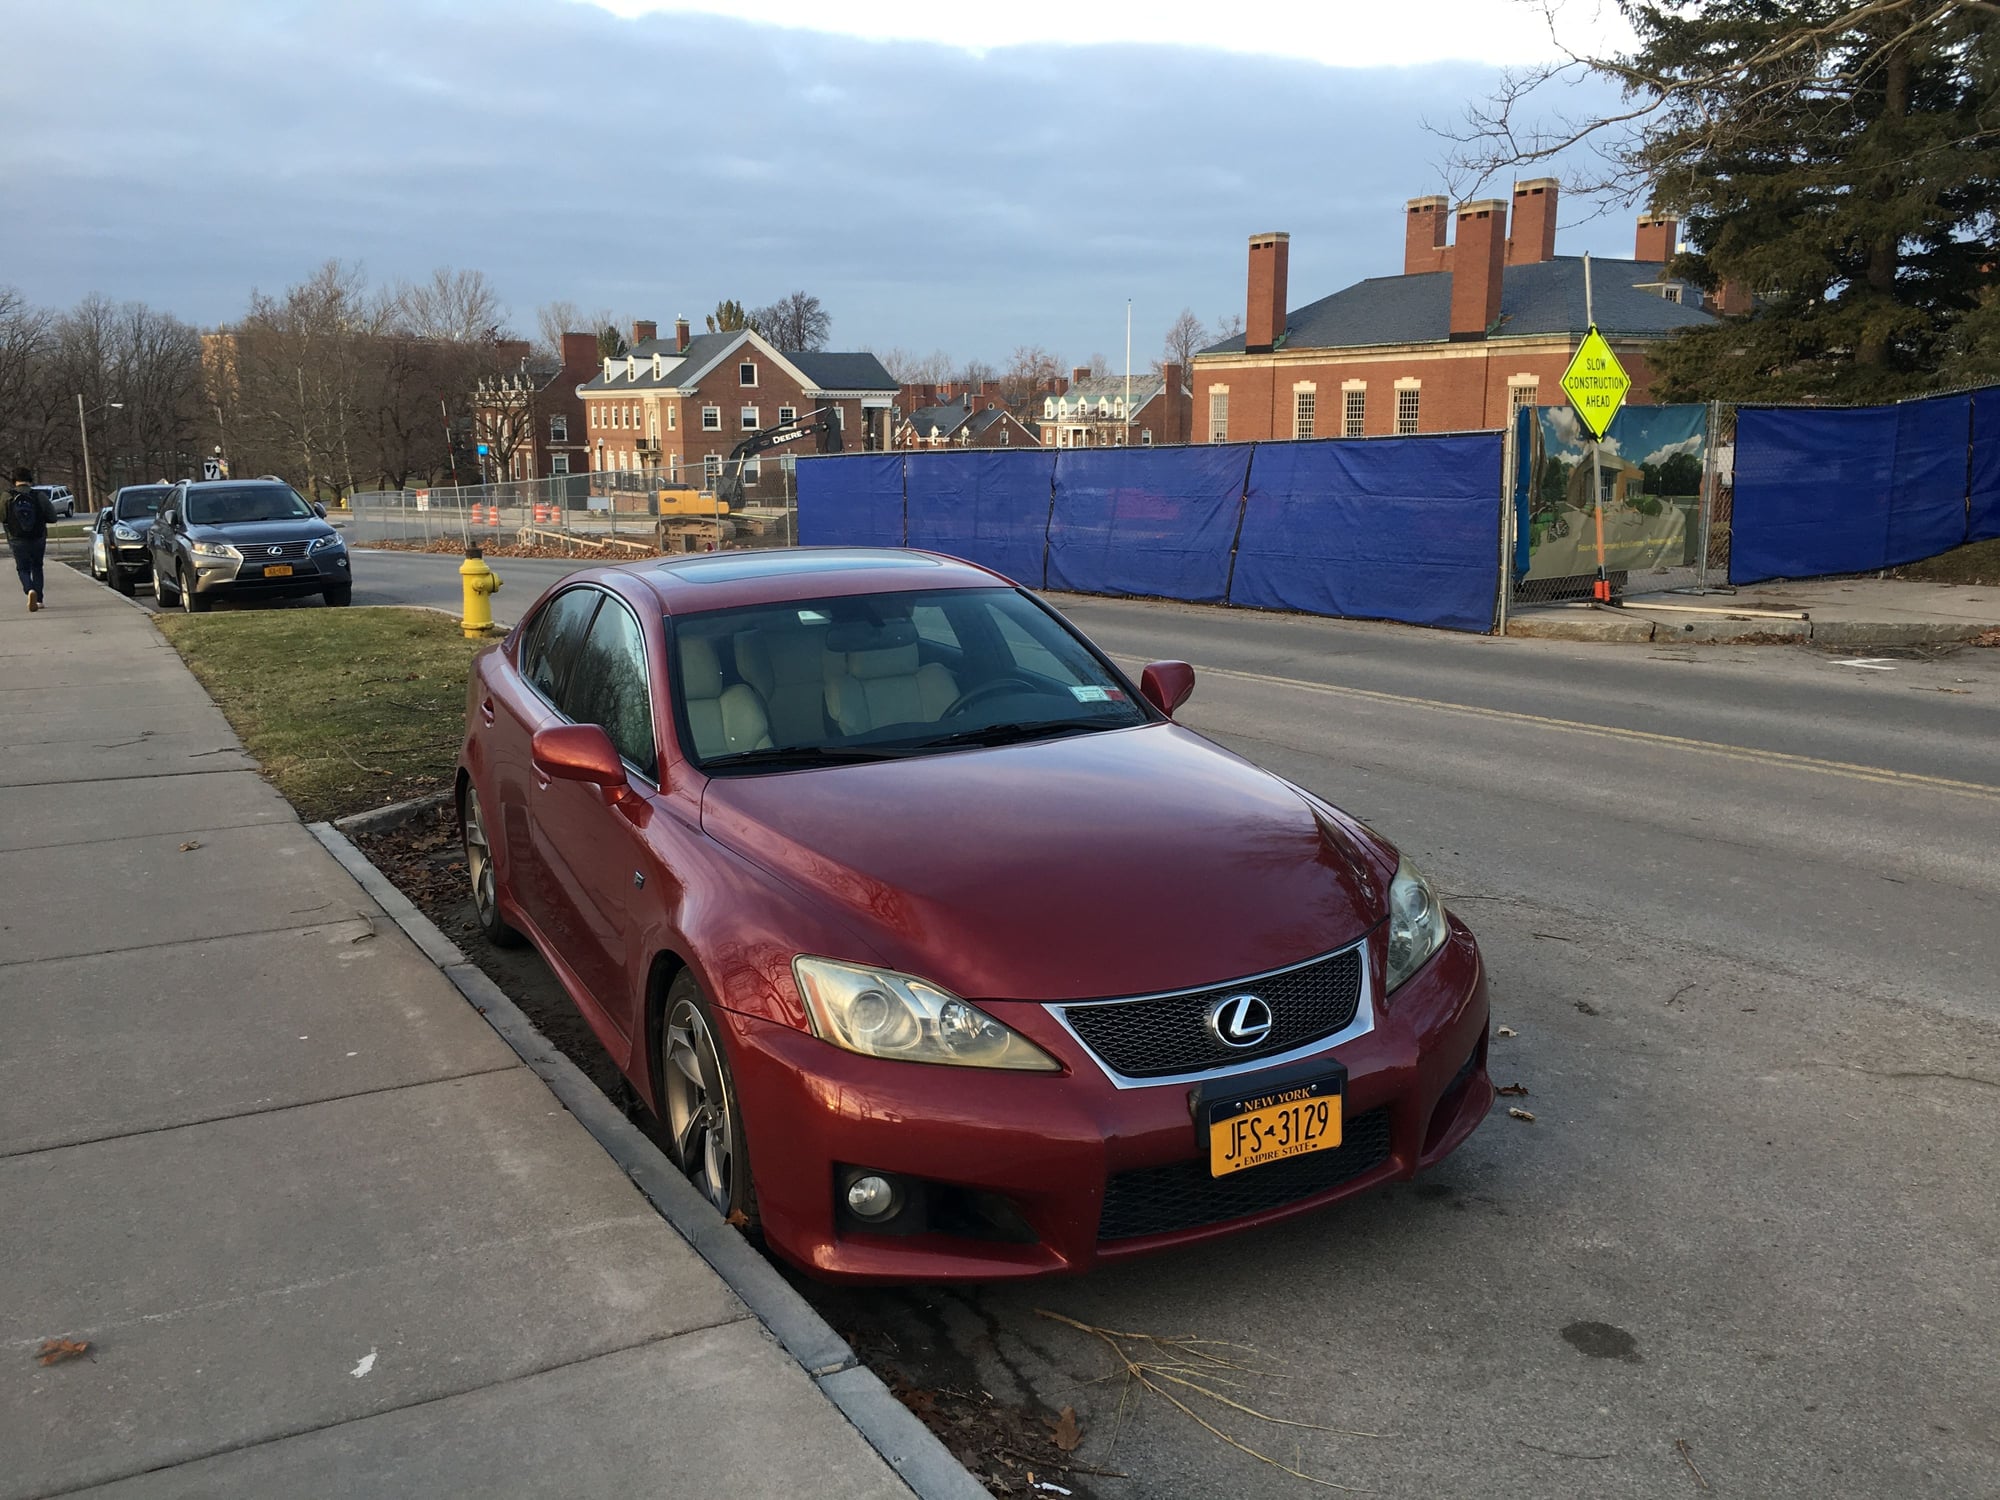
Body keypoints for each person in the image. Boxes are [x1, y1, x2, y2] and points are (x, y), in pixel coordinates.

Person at [5, 467, 58, 612]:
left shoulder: (6, 497)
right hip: (38, 537)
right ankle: (39, 599)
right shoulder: (39, 496)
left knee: (22, 568)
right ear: (30, 480)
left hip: (16, 538)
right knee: (37, 566)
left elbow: (2, 517)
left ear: (14, 480)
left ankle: (29, 590)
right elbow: (53, 517)